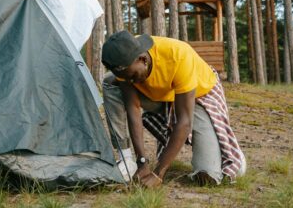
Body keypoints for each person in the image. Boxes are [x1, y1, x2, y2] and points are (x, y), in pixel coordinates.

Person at [101, 30, 245, 187]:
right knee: (110, 81)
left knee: (207, 176)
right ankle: (126, 159)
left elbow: (184, 121)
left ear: (143, 59)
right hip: (164, 97)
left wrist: (158, 173)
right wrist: (142, 162)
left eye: (133, 76)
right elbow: (133, 109)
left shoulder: (179, 56)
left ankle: (231, 154)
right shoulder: (122, 57)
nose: (130, 82)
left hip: (198, 97)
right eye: (127, 78)